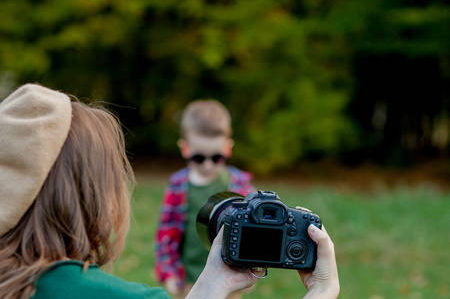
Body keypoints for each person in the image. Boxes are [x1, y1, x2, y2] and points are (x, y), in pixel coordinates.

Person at [0, 84, 339, 299]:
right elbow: (166, 236)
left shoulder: (238, 183)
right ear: (90, 200)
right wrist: (322, 291)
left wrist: (213, 286)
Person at [154, 100, 255, 299]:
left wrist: (249, 269)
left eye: (216, 157)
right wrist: (169, 273)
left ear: (228, 149)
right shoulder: (178, 186)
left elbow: (251, 233)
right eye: (199, 158)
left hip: (229, 280)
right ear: (185, 149)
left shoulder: (239, 186)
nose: (208, 165)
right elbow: (166, 234)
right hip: (189, 281)